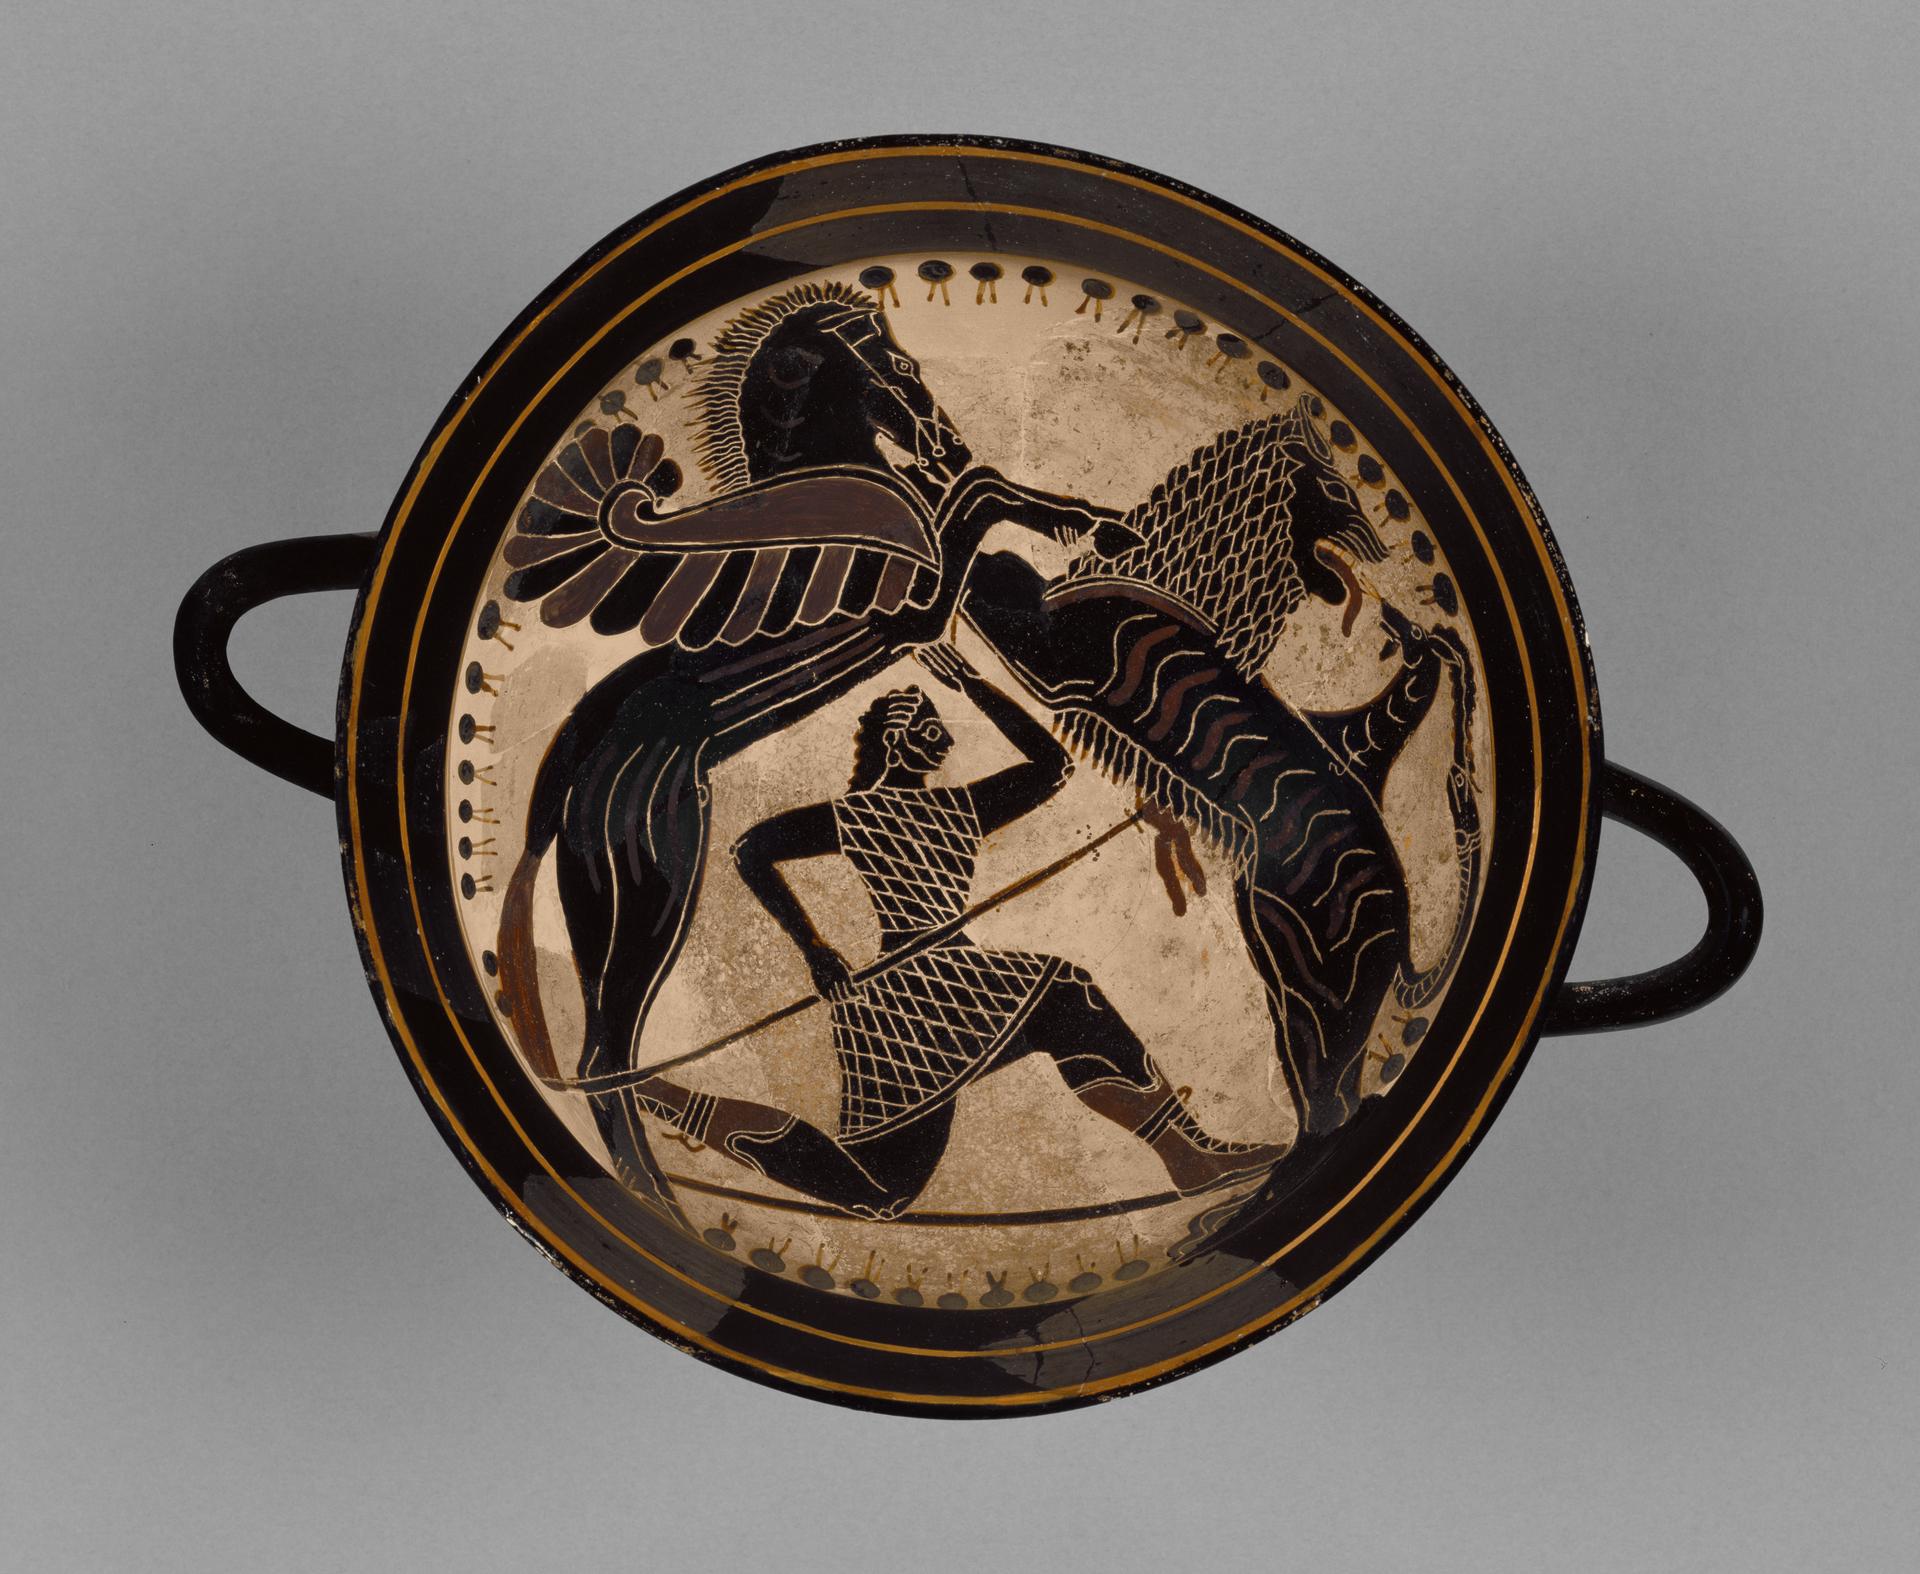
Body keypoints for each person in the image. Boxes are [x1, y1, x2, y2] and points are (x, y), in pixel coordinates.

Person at [626, 645, 1286, 1219]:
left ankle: (1187, 1156)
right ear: (897, 739)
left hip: (920, 990)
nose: (945, 743)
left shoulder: (962, 807)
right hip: (913, 983)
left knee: (881, 1191)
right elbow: (750, 851)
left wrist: (974, 684)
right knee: (1063, 1000)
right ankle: (1185, 1154)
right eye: (931, 729)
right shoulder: (860, 814)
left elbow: (1053, 767)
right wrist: (816, 949)